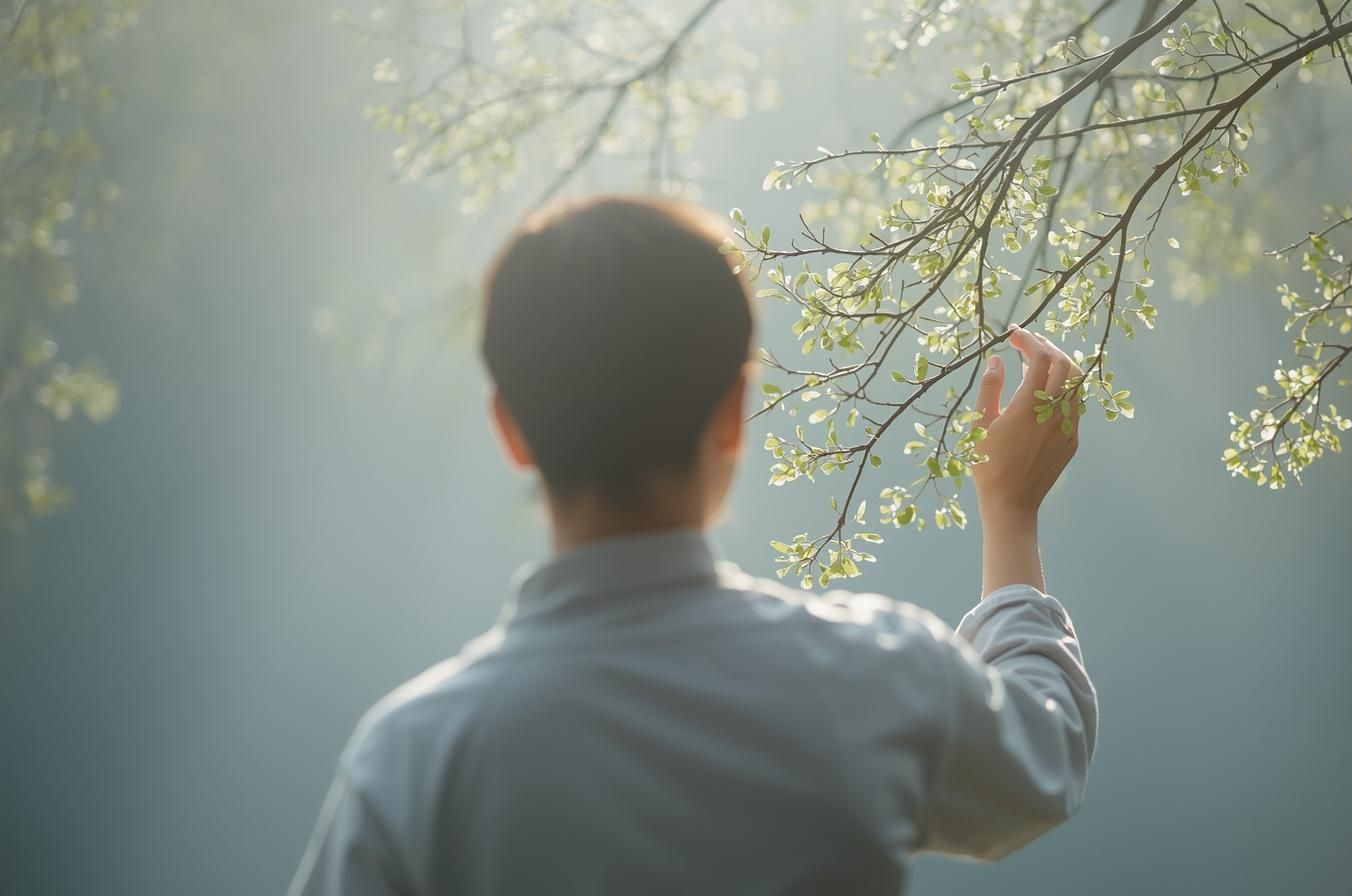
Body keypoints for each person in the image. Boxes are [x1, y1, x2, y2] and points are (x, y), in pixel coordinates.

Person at [289, 196, 1098, 895]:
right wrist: (1009, 511)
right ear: (732, 409)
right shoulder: (870, 672)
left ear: (511, 431)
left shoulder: (413, 757)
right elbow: (1046, 755)